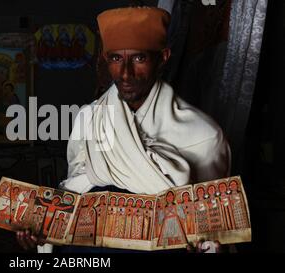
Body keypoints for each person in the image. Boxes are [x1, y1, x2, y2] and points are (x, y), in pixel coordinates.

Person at [17, 6, 230, 253]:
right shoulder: (90, 117)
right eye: (116, 58)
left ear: (162, 58)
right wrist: (42, 231)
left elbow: (213, 231)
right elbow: (75, 187)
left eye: (139, 58)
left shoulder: (203, 135)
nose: (126, 73)